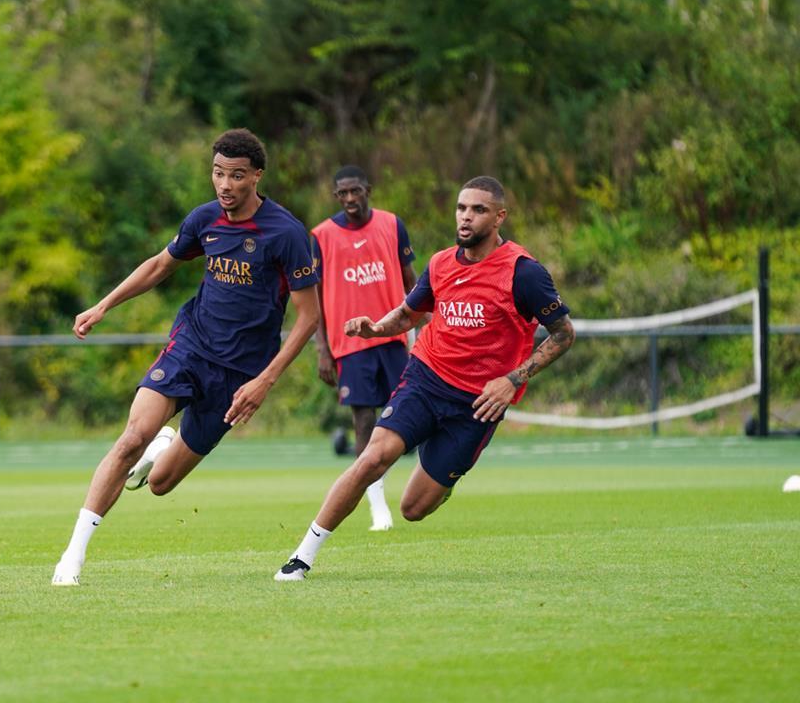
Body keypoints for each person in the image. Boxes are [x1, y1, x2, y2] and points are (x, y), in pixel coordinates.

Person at [52, 128, 321, 586]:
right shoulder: (204, 220)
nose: (225, 185)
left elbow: (309, 317)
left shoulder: (286, 234)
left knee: (161, 484)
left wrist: (265, 381)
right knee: (132, 437)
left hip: (240, 374)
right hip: (191, 347)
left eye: (236, 176)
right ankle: (72, 556)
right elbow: (160, 265)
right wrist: (103, 305)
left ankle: (163, 449)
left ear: (256, 176)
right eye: (218, 173)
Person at [275, 176, 575, 580]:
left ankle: (444, 479)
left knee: (413, 509)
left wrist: (513, 379)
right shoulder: (440, 264)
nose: (466, 217)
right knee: (373, 458)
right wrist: (375, 329)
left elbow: (563, 334)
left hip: (477, 404)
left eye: (478, 210)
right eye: (461, 208)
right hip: (426, 377)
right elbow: (408, 313)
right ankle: (301, 558)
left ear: (499, 217)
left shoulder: (523, 274)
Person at [312, 165, 418, 531]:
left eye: (355, 191)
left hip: (391, 338)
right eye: (342, 194)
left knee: (411, 416)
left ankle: (428, 486)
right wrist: (322, 348)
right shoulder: (322, 236)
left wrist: (427, 325)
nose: (349, 199)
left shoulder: (391, 224)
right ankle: (378, 506)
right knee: (363, 421)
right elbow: (315, 299)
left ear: (368, 189)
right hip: (349, 344)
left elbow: (412, 283)